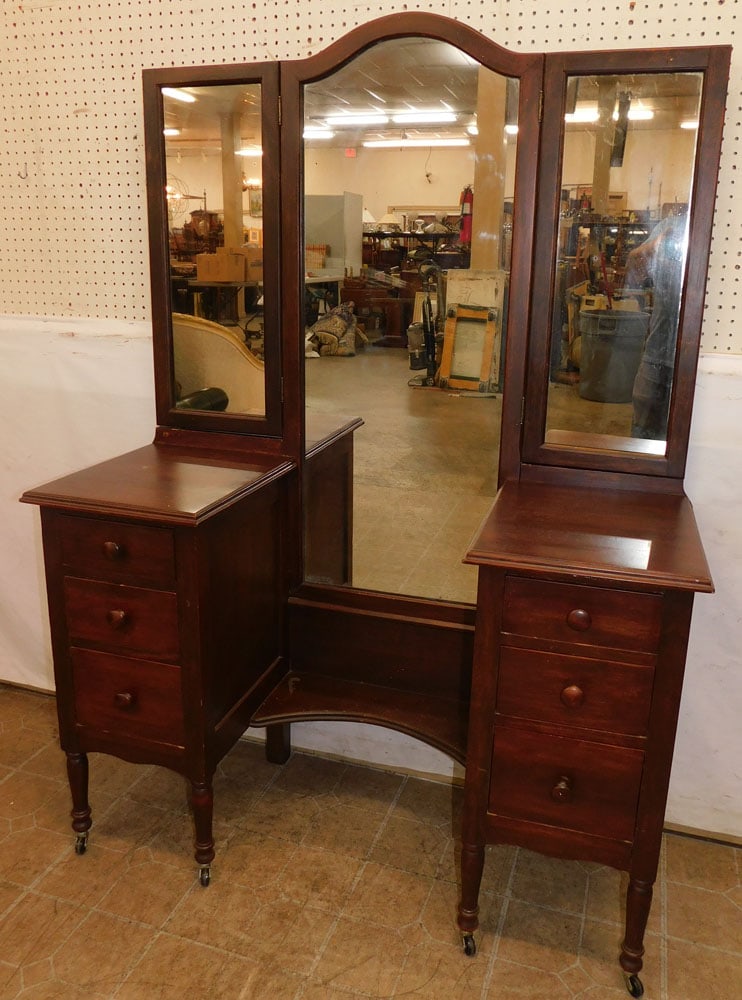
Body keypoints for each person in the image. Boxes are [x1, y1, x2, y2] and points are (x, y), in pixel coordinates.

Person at [624, 212, 687, 439]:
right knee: (643, 426)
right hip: (656, 352)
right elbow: (633, 269)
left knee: (682, 432)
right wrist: (654, 247)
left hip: (691, 359)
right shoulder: (669, 225)